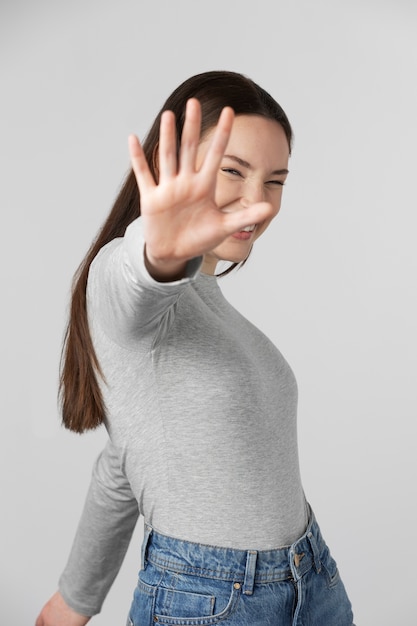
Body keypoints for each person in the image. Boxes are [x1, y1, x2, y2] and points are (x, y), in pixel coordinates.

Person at [36, 70, 354, 626]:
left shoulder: (210, 301)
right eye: (233, 171)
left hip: (313, 580)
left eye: (275, 180)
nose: (258, 203)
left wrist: (72, 599)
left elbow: (125, 463)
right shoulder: (125, 278)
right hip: (212, 599)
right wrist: (160, 251)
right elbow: (139, 276)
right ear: (168, 165)